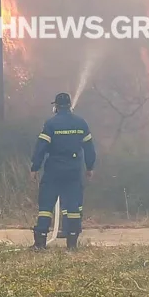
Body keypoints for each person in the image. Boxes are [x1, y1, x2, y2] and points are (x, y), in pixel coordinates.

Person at [30, 92, 96, 251]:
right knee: (73, 206)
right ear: (70, 105)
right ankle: (72, 243)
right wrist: (90, 167)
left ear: (56, 107)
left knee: (46, 206)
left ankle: (40, 243)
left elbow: (41, 148)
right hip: (73, 171)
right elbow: (89, 148)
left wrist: (35, 167)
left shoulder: (51, 124)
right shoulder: (81, 123)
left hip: (53, 170)